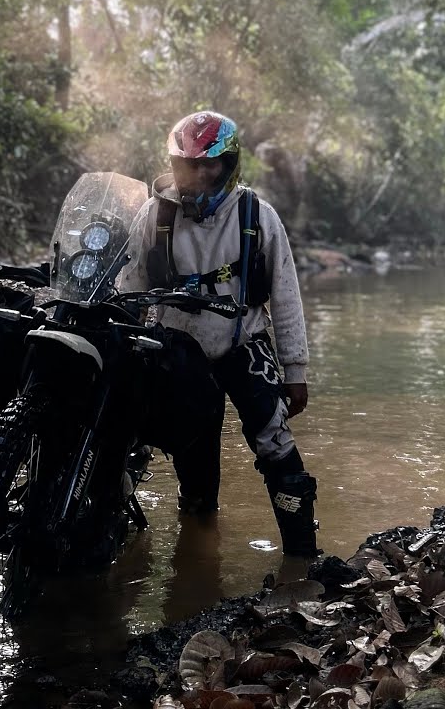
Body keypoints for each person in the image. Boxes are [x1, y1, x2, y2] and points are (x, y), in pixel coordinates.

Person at [120, 110, 320, 557]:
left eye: (210, 163)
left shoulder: (258, 215)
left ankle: (304, 560)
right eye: (189, 164)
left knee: (275, 440)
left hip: (243, 343)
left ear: (229, 164)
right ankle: (196, 551)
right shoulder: (154, 215)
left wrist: (295, 368)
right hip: (177, 351)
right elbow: (129, 287)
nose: (199, 174)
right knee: (192, 461)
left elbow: (285, 294)